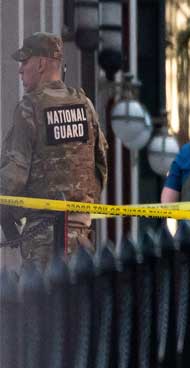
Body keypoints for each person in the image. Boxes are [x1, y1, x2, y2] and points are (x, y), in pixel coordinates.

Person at [0, 32, 108, 270]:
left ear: (40, 64)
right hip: (82, 238)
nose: (20, 71)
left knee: (42, 306)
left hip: (43, 242)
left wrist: (5, 209)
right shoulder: (85, 105)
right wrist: (81, 206)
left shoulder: (29, 107)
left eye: (24, 62)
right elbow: (100, 166)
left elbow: (14, 177)